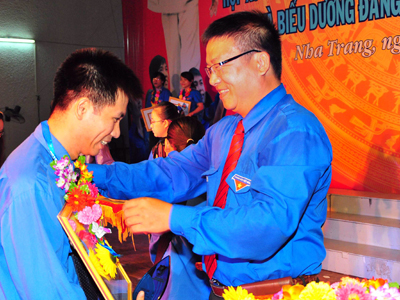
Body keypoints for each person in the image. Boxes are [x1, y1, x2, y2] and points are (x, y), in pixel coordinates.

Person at [89, 11, 333, 299]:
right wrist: (90, 174)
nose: (212, 79)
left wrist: (175, 217)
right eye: (209, 69)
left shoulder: (294, 132)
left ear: (260, 61)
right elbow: (170, 172)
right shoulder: (225, 131)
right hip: (220, 290)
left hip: (274, 293)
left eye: (219, 66)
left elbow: (266, 227)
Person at [0, 48, 142, 300]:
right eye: (115, 119)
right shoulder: (31, 183)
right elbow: (46, 292)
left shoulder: (61, 162)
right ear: (83, 108)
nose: (118, 133)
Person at [150, 116, 209, 299]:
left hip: (178, 256)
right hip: (206, 257)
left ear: (169, 144)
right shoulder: (211, 167)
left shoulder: (169, 170)